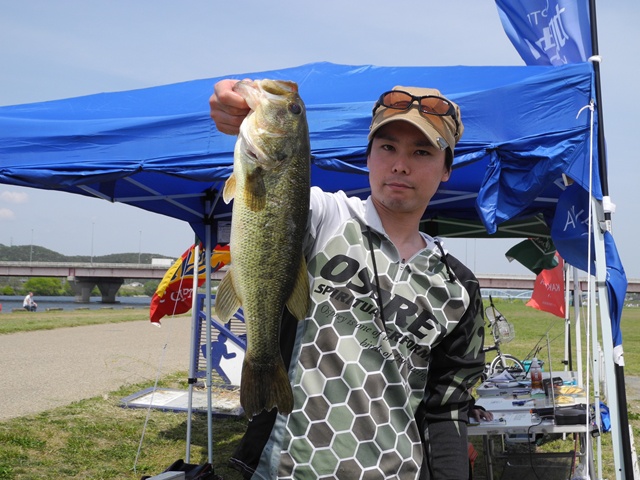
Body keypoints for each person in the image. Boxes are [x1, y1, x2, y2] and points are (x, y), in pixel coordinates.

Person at [210, 81, 485, 479]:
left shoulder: (458, 287)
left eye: (421, 152)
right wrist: (235, 101)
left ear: (445, 169)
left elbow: (448, 409)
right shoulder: (325, 217)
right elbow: (273, 187)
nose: (400, 165)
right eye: (387, 147)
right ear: (368, 156)